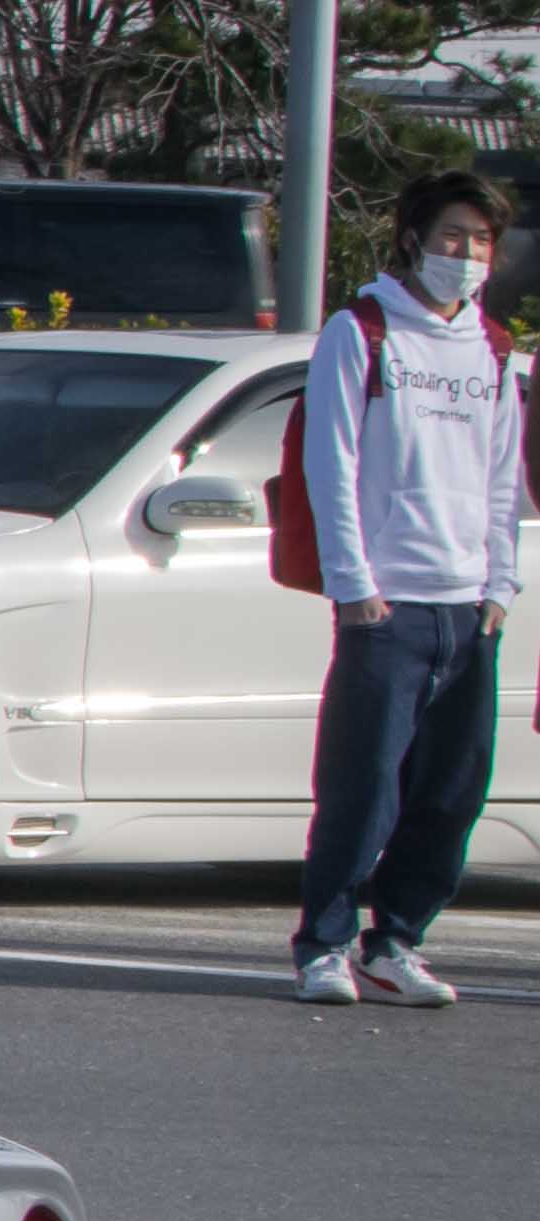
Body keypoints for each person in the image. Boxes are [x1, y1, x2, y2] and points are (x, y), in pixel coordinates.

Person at [288, 169, 515, 1009]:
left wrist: (499, 586)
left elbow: (499, 476)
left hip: (467, 606)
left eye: (480, 241)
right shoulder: (362, 331)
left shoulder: (488, 348)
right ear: (414, 239)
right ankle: (325, 944)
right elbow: (331, 462)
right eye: (451, 237)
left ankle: (397, 942)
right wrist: (353, 584)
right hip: (387, 605)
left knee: (453, 789)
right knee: (362, 784)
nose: (465, 255)